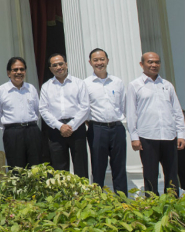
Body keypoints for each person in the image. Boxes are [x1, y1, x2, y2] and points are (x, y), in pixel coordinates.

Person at [127, 52, 185, 195]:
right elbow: (131, 113)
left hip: (169, 136)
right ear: (142, 64)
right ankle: (153, 204)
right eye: (150, 62)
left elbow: (177, 111)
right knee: (150, 175)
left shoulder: (167, 85)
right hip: (147, 137)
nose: (154, 65)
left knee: (172, 174)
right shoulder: (135, 85)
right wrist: (134, 137)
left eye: (157, 62)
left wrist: (181, 134)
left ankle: (172, 205)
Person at [84, 48, 127, 195]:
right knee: (98, 167)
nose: (99, 63)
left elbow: (123, 105)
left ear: (107, 60)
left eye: (102, 59)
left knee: (119, 167)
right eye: (95, 60)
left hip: (117, 128)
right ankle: (97, 200)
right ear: (90, 63)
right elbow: (83, 108)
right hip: (97, 129)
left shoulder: (117, 82)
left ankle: (123, 201)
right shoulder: (85, 84)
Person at [39, 53, 90, 177]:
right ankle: (63, 196)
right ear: (50, 69)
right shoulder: (46, 86)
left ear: (66, 65)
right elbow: (43, 109)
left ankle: (83, 195)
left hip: (77, 128)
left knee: (80, 165)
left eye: (61, 64)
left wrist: (71, 125)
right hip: (56, 130)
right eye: (54, 65)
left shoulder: (79, 83)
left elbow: (85, 107)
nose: (58, 67)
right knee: (59, 167)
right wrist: (60, 126)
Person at [0, 57, 42, 170]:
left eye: (22, 69)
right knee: (16, 169)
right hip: (12, 133)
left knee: (36, 167)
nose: (19, 72)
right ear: (8, 73)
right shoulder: (0, 91)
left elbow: (37, 110)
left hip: (32, 131)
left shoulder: (31, 88)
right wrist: (8, 130)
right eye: (15, 70)